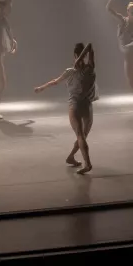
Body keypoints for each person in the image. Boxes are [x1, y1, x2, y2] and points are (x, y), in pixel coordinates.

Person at [34, 42, 97, 174]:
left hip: (76, 106)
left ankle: (88, 164)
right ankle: (71, 157)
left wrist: (41, 88)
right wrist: (41, 88)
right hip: (87, 106)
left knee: (81, 136)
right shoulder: (90, 68)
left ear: (75, 55)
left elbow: (55, 82)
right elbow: (90, 46)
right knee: (82, 136)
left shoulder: (72, 71)